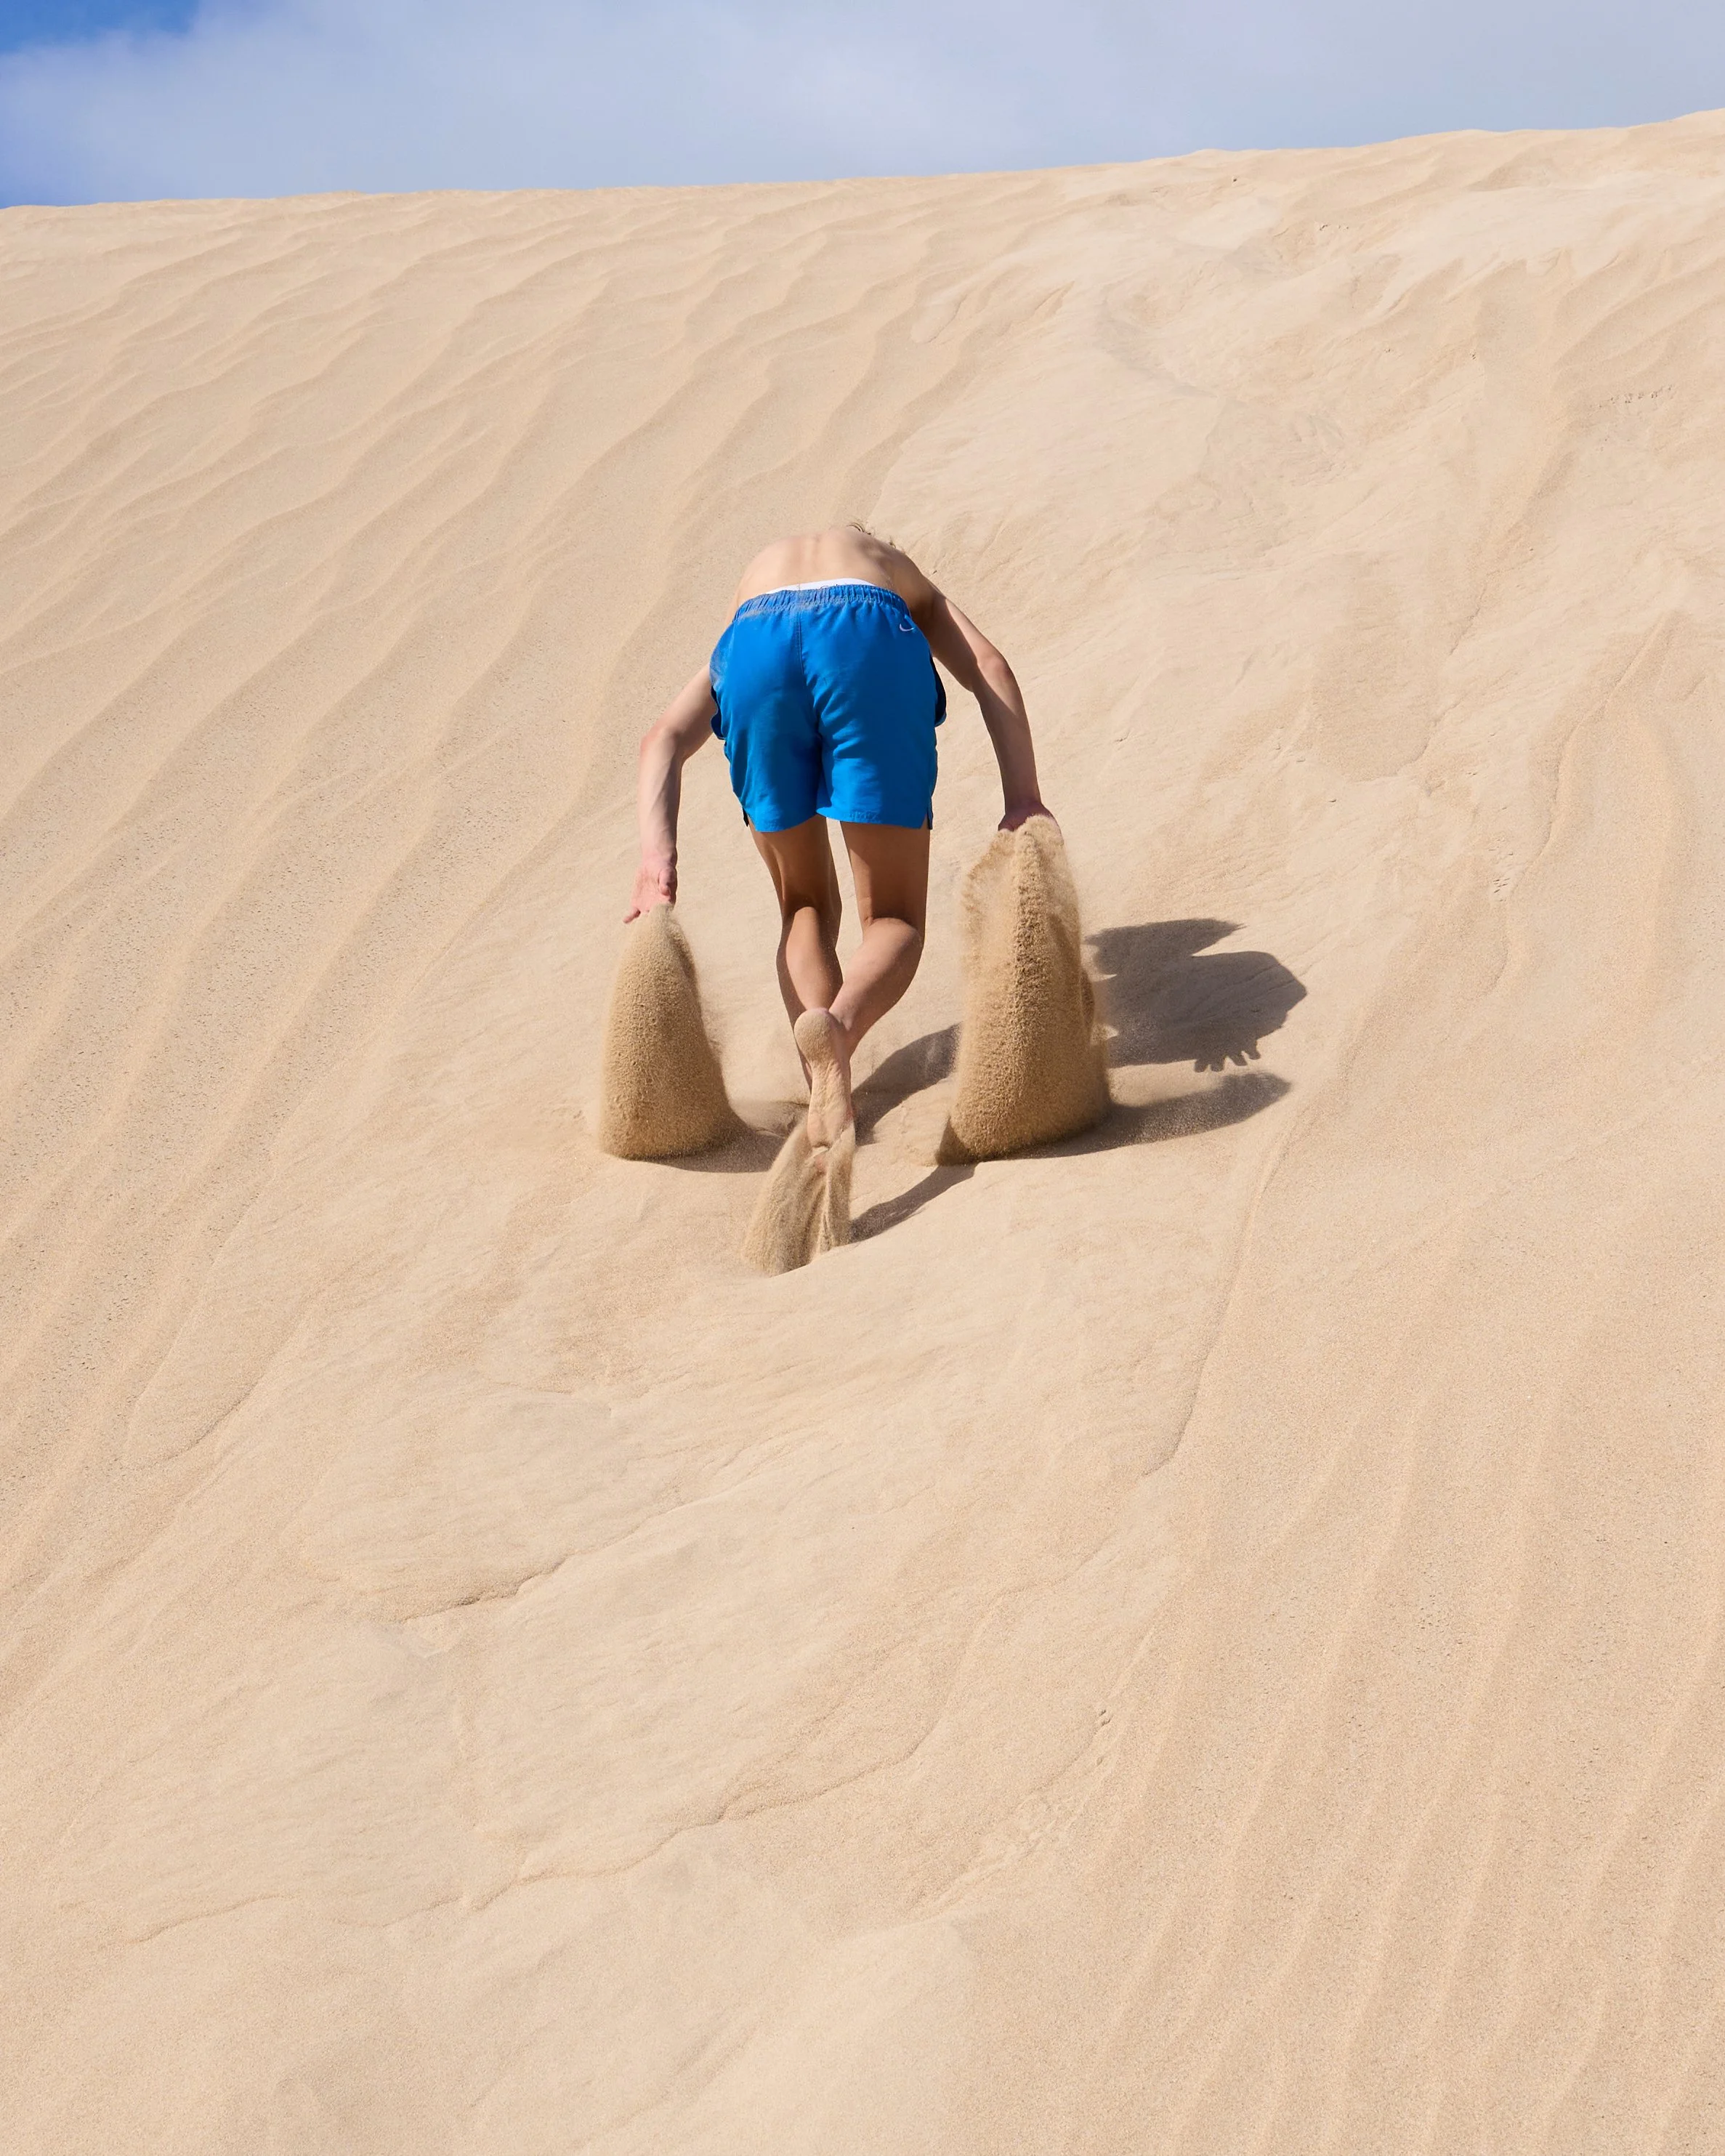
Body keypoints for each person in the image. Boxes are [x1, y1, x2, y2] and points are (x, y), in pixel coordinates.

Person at [626, 523, 1051, 1148]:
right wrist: (1024, 798)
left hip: (755, 643)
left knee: (803, 906)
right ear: (871, 541)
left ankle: (831, 1100)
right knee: (895, 920)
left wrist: (655, 857)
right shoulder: (892, 567)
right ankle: (841, 1031)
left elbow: (662, 737)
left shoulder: (759, 576)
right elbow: (989, 665)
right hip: (866, 635)